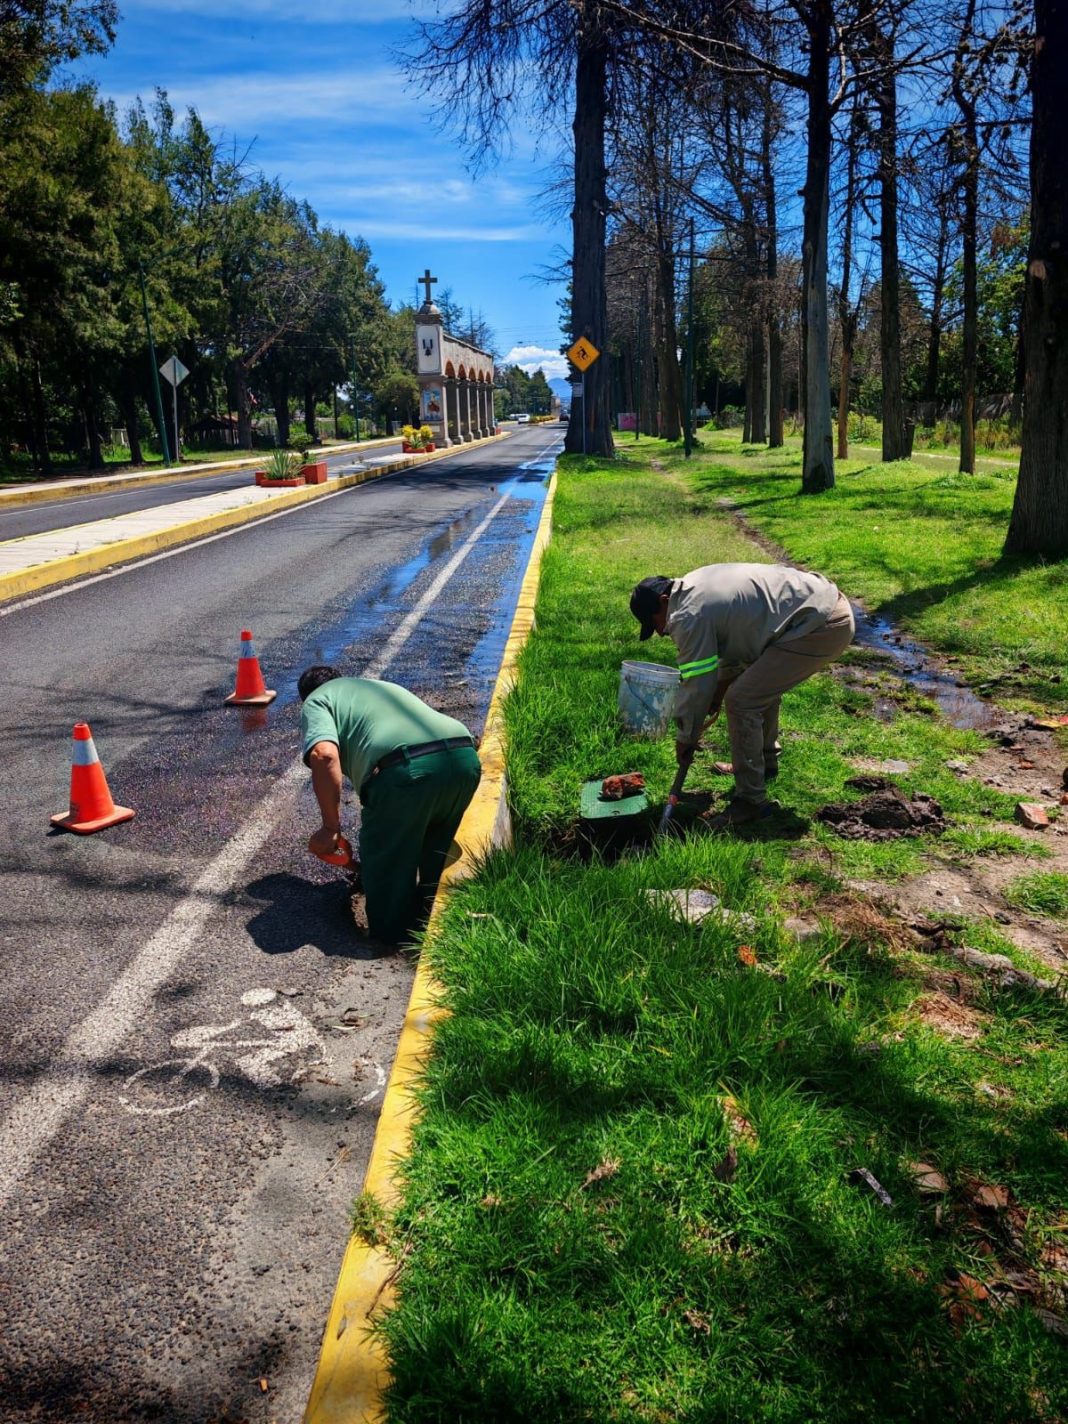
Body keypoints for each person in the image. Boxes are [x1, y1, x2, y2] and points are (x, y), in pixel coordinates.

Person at [629, 564, 854, 826]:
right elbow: (732, 654)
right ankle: (764, 763)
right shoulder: (695, 586)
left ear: (664, 601)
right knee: (753, 686)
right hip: (817, 607)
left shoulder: (687, 615)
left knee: (742, 700)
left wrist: (686, 737)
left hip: (820, 625)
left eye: (655, 622)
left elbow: (696, 684)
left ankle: (750, 801)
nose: (660, 632)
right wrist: (716, 692)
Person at [299, 666, 482, 943]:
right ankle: (446, 934)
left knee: (386, 865)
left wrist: (330, 828)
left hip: (406, 773)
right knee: (437, 854)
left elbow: (323, 755)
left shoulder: (317, 700)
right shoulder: (373, 688)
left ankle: (392, 942)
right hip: (463, 759)